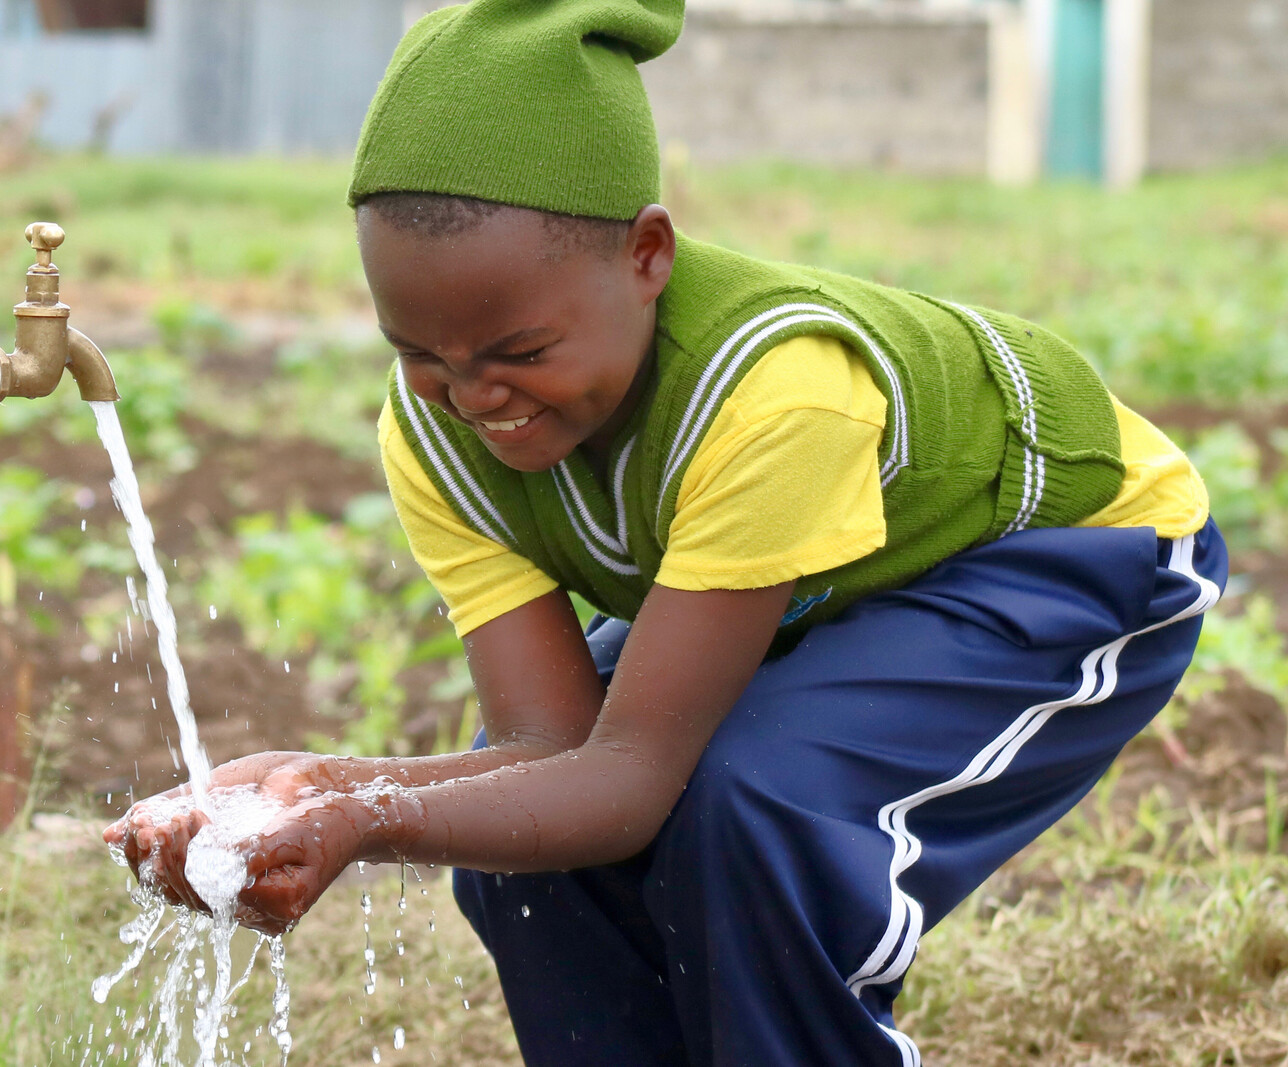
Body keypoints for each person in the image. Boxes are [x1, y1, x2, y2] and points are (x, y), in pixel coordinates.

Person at [105, 2, 1225, 1063]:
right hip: (815, 574)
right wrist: (316, 781)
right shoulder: (433, 436)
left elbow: (632, 774)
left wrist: (367, 819)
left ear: (647, 256)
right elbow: (549, 751)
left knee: (756, 808)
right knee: (514, 859)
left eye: (519, 351)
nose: (474, 394)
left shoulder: (774, 392)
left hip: (1059, 553)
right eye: (422, 354)